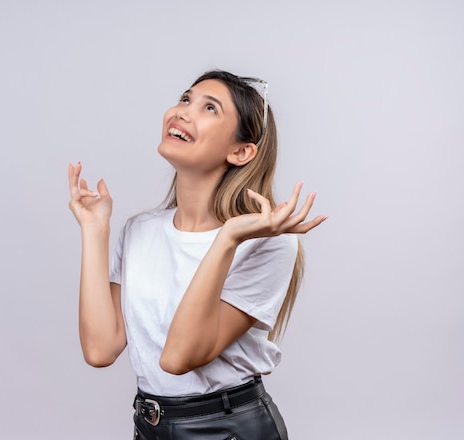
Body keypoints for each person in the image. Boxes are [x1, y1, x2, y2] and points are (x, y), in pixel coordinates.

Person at [67, 70, 326, 440]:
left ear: (241, 151)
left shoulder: (266, 241)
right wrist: (94, 230)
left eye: (209, 108)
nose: (182, 112)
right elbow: (100, 349)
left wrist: (228, 238)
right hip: (149, 425)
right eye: (185, 99)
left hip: (227, 430)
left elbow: (179, 358)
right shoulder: (140, 231)